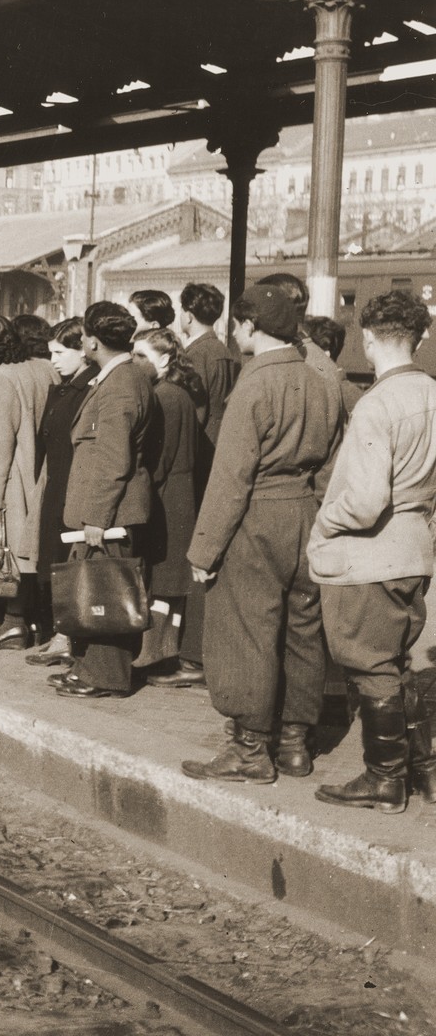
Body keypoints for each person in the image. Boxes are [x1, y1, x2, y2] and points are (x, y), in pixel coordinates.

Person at [182, 284, 344, 784]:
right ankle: (295, 744)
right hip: (306, 518)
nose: (234, 331)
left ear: (251, 326)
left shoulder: (252, 385)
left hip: (256, 520)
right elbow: (332, 467)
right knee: (303, 632)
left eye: (237, 323)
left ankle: (250, 751)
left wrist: (205, 548)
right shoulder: (322, 381)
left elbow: (232, 476)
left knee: (247, 633)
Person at [308, 291, 436, 812]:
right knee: (396, 660)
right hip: (414, 549)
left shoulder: (375, 404)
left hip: (371, 555)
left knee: (369, 664)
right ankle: (422, 772)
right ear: (420, 338)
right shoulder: (432, 392)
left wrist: (324, 519)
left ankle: (383, 780)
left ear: (366, 341)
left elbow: (363, 503)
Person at [54, 301, 158, 699]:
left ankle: (105, 676)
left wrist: (97, 516)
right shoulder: (118, 378)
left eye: (82, 336)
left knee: (108, 593)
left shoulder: (121, 385)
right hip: (105, 507)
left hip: (110, 510)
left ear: (93, 342)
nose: (81, 341)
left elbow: (115, 458)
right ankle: (89, 669)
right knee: (94, 589)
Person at [0, 309, 59, 650]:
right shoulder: (46, 369)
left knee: (9, 552)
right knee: (34, 551)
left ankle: (13, 623)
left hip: (14, 480)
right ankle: (38, 621)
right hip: (43, 472)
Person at [132, 327, 207, 682]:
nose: (136, 361)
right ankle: (167, 650)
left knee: (161, 580)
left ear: (163, 359)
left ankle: (153, 653)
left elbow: (157, 460)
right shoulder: (180, 393)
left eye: (142, 355)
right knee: (171, 582)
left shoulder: (163, 396)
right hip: (182, 495)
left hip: (166, 499)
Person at [25, 318, 97, 667]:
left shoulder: (88, 390)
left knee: (67, 559)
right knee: (54, 559)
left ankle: (67, 636)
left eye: (59, 352)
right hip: (55, 484)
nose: (53, 360)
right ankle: (60, 633)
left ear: (82, 350)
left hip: (73, 486)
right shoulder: (62, 387)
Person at [178, 282, 238, 446]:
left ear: (189, 316)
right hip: (219, 437)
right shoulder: (222, 349)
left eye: (181, 311)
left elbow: (197, 410)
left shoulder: (196, 353)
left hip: (201, 442)